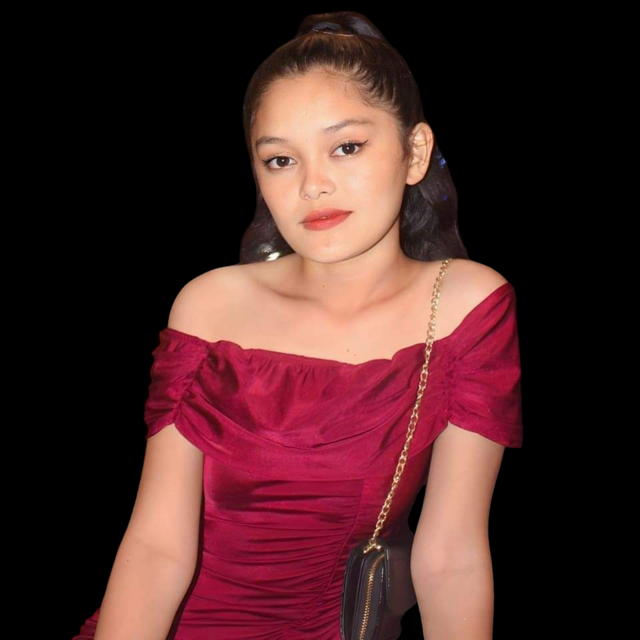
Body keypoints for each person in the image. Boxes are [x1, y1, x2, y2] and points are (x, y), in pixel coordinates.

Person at [73, 11, 523, 640]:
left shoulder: (464, 305)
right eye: (281, 160)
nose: (314, 185)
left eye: (347, 147)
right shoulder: (209, 305)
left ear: (415, 152)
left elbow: (451, 555)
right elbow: (155, 548)